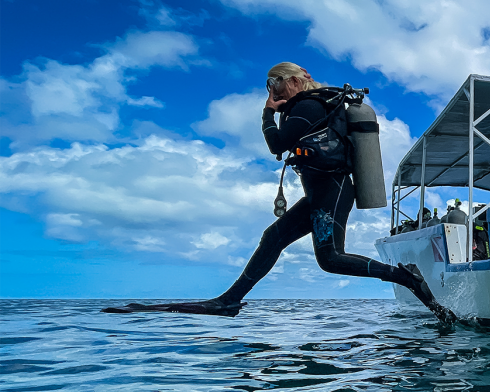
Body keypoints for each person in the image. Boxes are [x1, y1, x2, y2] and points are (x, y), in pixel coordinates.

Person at [106, 62, 452, 321]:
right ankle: (229, 300)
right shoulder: (312, 106)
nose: (272, 89)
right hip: (322, 189)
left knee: (330, 259)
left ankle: (406, 276)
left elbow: (277, 144)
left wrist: (266, 114)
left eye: (275, 82)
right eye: (268, 85)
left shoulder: (308, 105)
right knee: (273, 238)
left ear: (293, 79)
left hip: (330, 189)